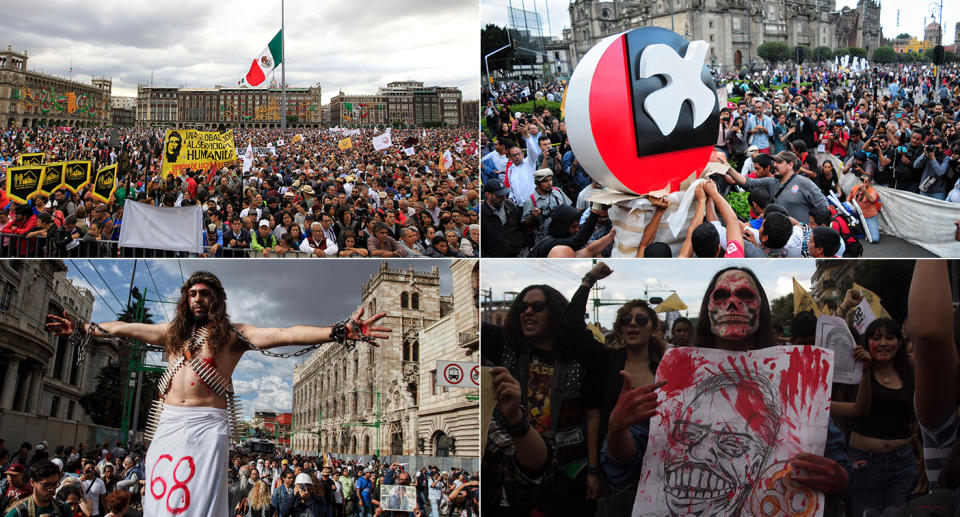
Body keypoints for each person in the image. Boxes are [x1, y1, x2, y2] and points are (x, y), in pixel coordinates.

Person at [45, 272, 390, 517]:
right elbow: (125, 328)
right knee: (161, 491)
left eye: (205, 294)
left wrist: (338, 330)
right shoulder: (171, 333)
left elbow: (285, 332)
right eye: (193, 294)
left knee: (197, 495)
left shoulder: (233, 335)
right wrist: (83, 327)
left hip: (207, 425)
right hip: (167, 424)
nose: (198, 299)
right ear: (185, 299)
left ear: (218, 300)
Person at [602, 268, 851, 516]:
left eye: (744, 295)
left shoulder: (792, 383)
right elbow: (632, 457)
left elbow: (835, 461)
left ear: (761, 309)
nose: (732, 304)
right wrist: (617, 429)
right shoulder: (679, 378)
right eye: (721, 296)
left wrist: (838, 478)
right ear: (707, 308)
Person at [4, 460, 72, 517]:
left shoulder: (64, 509)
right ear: (32, 482)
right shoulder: (17, 513)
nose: (52, 489)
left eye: (55, 484)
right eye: (46, 485)